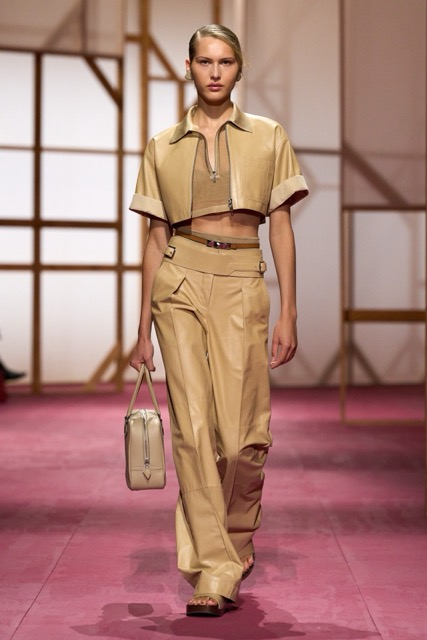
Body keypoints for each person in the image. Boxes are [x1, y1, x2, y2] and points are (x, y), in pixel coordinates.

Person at [129, 24, 308, 617]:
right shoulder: (161, 144)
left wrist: (289, 310)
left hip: (241, 281)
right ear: (188, 67)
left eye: (225, 62)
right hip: (178, 281)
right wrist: (141, 329)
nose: (214, 72)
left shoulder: (268, 136)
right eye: (204, 61)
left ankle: (235, 536)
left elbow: (280, 226)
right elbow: (155, 238)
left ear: (239, 68)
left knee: (240, 437)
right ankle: (214, 567)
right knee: (192, 429)